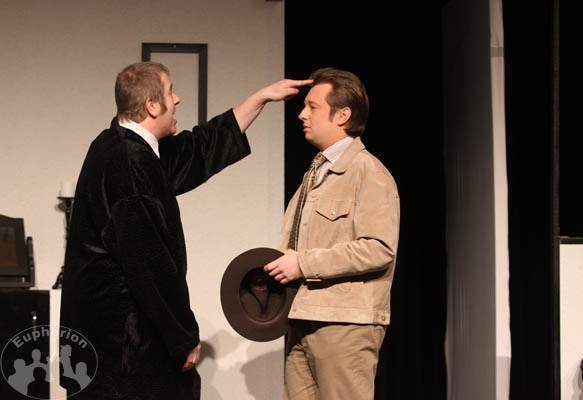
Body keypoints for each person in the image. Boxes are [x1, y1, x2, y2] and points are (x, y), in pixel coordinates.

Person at [59, 61, 311, 400]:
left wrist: (260, 98)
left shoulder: (122, 145)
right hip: (123, 353)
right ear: (152, 105)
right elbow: (150, 264)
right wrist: (182, 337)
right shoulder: (130, 163)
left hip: (111, 349)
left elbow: (198, 150)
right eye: (170, 92)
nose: (176, 99)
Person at [264, 67, 400, 400]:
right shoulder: (315, 173)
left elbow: (379, 248)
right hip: (303, 318)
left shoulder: (368, 172)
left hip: (345, 324)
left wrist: (304, 264)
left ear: (342, 115)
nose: (301, 114)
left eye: (312, 106)